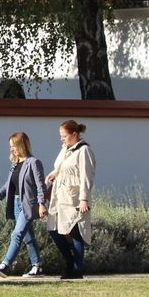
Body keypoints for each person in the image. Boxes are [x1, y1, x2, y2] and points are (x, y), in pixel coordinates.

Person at [0, 132, 48, 278]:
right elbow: (9, 184)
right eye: (10, 147)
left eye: (14, 146)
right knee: (28, 237)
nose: (11, 149)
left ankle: (5, 265)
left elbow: (41, 185)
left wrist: (41, 204)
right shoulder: (15, 164)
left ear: (22, 145)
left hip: (28, 204)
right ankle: (37, 266)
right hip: (15, 203)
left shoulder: (33, 162)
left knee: (17, 234)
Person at [45, 120, 95, 280]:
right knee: (54, 229)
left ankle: (77, 269)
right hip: (60, 196)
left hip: (74, 197)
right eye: (61, 136)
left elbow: (87, 176)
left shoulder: (84, 151)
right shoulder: (65, 149)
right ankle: (69, 261)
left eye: (64, 136)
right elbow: (60, 166)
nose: (62, 139)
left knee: (75, 231)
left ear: (74, 134)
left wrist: (84, 199)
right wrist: (54, 173)